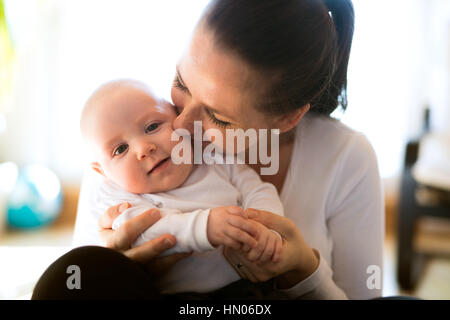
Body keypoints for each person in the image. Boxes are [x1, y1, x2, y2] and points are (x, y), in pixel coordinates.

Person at [33, 0, 384, 300]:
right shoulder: (129, 131)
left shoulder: (346, 158)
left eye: (217, 117)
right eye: (181, 83)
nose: (180, 124)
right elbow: (77, 278)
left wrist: (302, 269)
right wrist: (110, 260)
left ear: (287, 118)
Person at [77, 79, 284, 293]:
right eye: (120, 149)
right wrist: (204, 227)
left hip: (253, 284)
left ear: (177, 118)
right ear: (102, 172)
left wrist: (268, 229)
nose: (143, 149)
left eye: (152, 126)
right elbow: (143, 234)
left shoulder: (215, 158)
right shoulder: (121, 198)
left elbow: (259, 190)